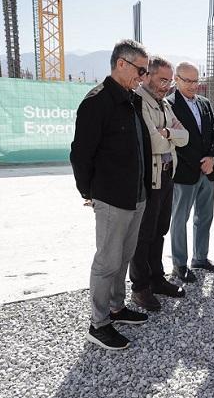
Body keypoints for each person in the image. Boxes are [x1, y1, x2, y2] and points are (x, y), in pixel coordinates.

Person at [70, 39, 151, 350]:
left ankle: (117, 307)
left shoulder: (132, 99)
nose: (143, 76)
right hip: (112, 198)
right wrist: (90, 192)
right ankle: (99, 322)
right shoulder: (96, 102)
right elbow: (80, 154)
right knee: (106, 261)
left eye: (145, 71)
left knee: (124, 256)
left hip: (136, 195)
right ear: (121, 64)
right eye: (140, 70)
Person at [129, 56, 189, 312]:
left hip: (166, 174)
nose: (166, 85)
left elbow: (185, 137)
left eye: (169, 80)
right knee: (144, 235)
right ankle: (140, 287)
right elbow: (153, 142)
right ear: (148, 76)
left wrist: (167, 133)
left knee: (160, 229)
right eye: (162, 79)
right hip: (149, 177)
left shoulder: (163, 103)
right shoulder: (139, 101)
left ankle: (156, 278)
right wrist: (167, 136)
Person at [167, 62, 214, 282]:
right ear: (177, 80)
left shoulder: (205, 103)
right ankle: (179, 265)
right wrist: (199, 162)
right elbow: (174, 140)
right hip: (184, 173)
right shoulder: (169, 105)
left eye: (195, 81)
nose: (192, 85)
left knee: (205, 216)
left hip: (207, 172)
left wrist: (211, 158)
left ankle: (200, 257)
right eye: (187, 81)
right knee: (180, 218)